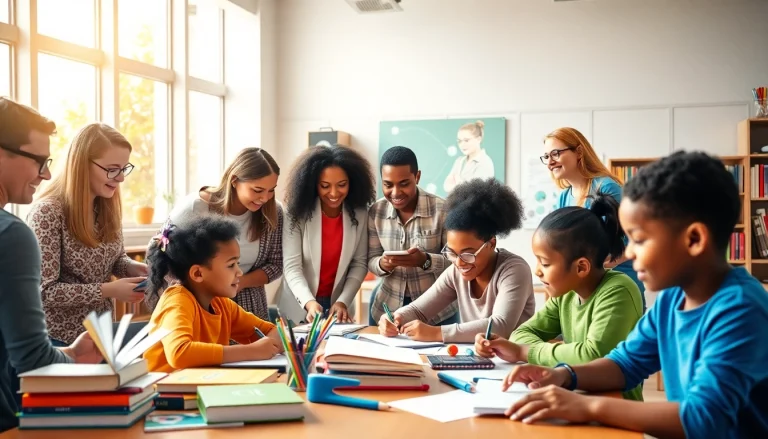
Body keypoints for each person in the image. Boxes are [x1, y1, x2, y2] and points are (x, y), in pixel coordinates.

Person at [500, 152, 768, 439]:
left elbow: (704, 419)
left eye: (639, 240)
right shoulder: (672, 300)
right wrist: (565, 375)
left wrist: (588, 406)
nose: (628, 253)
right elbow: (626, 364)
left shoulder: (740, 309)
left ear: (694, 239)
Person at [474, 193, 644, 400]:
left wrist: (522, 352)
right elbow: (522, 333)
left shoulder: (619, 290)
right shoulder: (566, 293)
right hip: (575, 396)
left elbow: (592, 356)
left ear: (581, 267)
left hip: (615, 406)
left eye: (545, 263)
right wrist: (533, 348)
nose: (537, 271)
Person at [0, 97, 102, 432]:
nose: (45, 174)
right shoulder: (12, 235)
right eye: (38, 161)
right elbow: (33, 362)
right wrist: (75, 358)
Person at [28, 123, 148, 346]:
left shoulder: (106, 207)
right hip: (59, 343)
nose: (120, 178)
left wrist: (131, 267)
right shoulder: (47, 213)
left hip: (100, 337)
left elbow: (116, 259)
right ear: (82, 165)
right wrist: (108, 290)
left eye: (124, 169)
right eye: (112, 169)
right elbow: (44, 292)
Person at [378, 178, 535, 343]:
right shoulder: (456, 272)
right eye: (452, 253)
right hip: (480, 360)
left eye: (468, 254)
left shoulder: (514, 270)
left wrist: (436, 333)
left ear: (491, 243)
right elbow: (418, 310)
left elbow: (500, 327)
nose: (459, 263)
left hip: (517, 362)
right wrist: (396, 318)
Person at [142, 216, 283, 373]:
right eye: (231, 265)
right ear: (197, 273)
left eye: (238, 263)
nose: (239, 272)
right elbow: (179, 353)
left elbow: (270, 331)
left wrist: (276, 343)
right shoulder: (177, 302)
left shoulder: (221, 304)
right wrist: (251, 351)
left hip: (203, 389)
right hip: (167, 394)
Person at [162, 147, 283, 320]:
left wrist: (240, 283)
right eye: (257, 190)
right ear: (234, 180)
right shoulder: (195, 207)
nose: (265, 198)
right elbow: (162, 254)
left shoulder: (274, 212)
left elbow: (276, 264)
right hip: (199, 307)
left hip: (251, 308)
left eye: (271, 190)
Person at [541, 127, 645, 311]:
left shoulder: (606, 187)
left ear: (579, 152)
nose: (550, 162)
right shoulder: (564, 197)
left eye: (555, 153)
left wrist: (590, 267)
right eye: (546, 157)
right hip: (585, 287)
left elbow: (632, 242)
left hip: (617, 286)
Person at [279, 145, 376, 324]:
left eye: (342, 185)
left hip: (339, 307)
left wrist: (342, 302)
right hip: (299, 304)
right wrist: (309, 302)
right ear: (313, 184)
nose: (333, 193)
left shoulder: (361, 213)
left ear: (352, 182)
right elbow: (292, 267)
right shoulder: (296, 213)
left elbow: (359, 263)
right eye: (325, 186)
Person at [368, 146, 458, 326]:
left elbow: (457, 262)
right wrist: (383, 264)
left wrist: (425, 260)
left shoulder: (443, 210)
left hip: (436, 313)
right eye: (388, 185)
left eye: (404, 183)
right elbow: (371, 259)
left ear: (417, 177)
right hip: (387, 311)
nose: (395, 193)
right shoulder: (376, 212)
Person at [443, 121, 495, 193]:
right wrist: (461, 185)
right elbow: (446, 186)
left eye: (466, 140)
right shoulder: (459, 161)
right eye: (459, 141)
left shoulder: (485, 162)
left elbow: (477, 192)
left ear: (478, 139)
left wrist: (457, 183)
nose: (462, 145)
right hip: (456, 203)